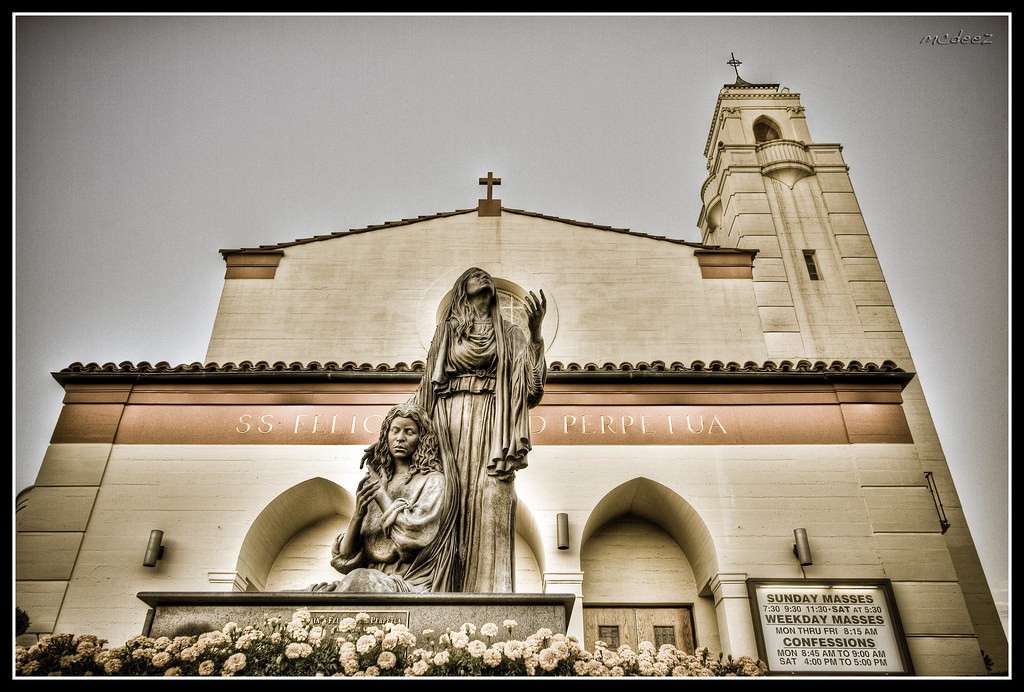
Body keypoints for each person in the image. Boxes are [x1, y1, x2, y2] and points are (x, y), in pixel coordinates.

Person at [410, 267, 546, 592]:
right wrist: (399, 429)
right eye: (475, 275)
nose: (483, 277)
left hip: (491, 420)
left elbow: (532, 388)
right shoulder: (448, 330)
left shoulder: (510, 332)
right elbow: (426, 386)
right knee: (444, 497)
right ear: (462, 287)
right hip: (449, 418)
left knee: (493, 496)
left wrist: (536, 335)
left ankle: (491, 591)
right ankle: (439, 589)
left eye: (487, 276)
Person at [308, 402, 455, 592]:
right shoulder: (377, 481)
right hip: (368, 577)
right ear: (386, 436)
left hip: (408, 580)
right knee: (308, 595)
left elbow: (413, 536)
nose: (400, 438)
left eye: (409, 432)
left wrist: (382, 496)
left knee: (360, 580)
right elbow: (345, 558)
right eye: (395, 431)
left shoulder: (432, 481)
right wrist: (358, 514)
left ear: (421, 438)